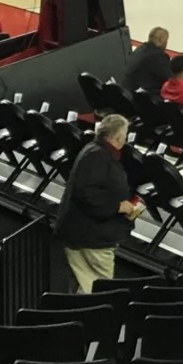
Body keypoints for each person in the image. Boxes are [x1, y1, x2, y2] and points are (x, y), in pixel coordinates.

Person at [56, 114, 139, 293]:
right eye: (125, 135)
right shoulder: (98, 156)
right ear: (118, 138)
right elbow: (88, 194)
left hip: (87, 234)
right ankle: (91, 319)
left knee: (82, 284)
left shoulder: (95, 150)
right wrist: (118, 206)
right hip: (91, 238)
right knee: (98, 290)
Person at [124, 26, 172, 96]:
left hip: (128, 94)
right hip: (142, 99)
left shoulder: (139, 50)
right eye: (166, 41)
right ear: (161, 40)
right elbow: (171, 81)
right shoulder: (158, 56)